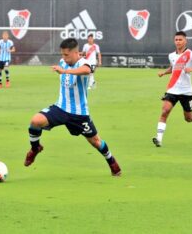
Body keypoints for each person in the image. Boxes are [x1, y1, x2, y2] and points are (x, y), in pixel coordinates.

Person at [24, 38, 121, 176]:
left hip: (79, 114)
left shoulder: (84, 63)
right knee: (35, 121)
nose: (63, 57)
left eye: (66, 55)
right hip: (60, 108)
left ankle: (111, 161)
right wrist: (64, 68)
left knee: (95, 141)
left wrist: (65, 71)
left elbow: (87, 70)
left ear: (75, 53)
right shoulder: (63, 62)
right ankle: (35, 148)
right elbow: (66, 66)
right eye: (62, 54)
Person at [152, 31, 192, 147]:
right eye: (176, 40)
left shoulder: (190, 54)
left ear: (185, 41)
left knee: (188, 118)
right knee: (165, 111)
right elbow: (173, 68)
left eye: (180, 40)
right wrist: (164, 73)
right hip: (172, 89)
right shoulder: (171, 55)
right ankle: (159, 139)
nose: (178, 42)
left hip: (186, 91)